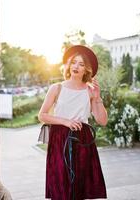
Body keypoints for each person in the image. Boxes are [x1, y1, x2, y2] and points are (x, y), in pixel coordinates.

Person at [38, 45, 107, 200]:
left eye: (81, 64)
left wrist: (97, 98)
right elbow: (42, 115)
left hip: (83, 140)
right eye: (74, 62)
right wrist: (65, 121)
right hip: (60, 140)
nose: (76, 66)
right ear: (68, 65)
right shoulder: (57, 88)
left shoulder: (90, 90)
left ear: (86, 70)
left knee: (80, 186)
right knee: (61, 185)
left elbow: (102, 121)